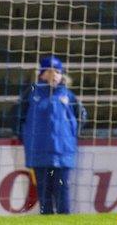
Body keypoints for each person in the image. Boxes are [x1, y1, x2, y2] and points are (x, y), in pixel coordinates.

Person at [13, 56, 87, 214]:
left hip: (63, 153)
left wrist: (74, 136)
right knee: (44, 193)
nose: (54, 75)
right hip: (39, 152)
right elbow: (18, 115)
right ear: (41, 73)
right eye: (50, 71)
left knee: (63, 192)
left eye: (58, 72)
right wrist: (23, 137)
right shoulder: (31, 94)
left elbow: (81, 116)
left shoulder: (69, 96)